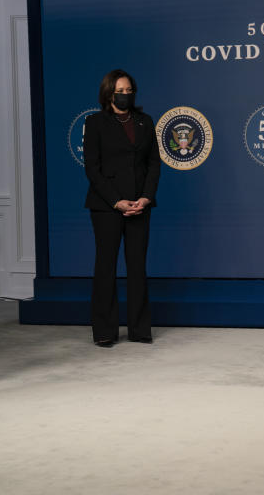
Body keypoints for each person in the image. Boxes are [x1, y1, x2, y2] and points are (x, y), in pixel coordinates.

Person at [83, 70, 161, 347]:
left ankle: (140, 329)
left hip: (141, 205)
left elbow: (153, 163)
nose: (125, 95)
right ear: (108, 93)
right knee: (106, 267)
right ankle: (105, 331)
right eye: (120, 91)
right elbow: (92, 168)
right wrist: (116, 201)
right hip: (106, 207)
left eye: (129, 91)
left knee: (137, 267)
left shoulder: (145, 121)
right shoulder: (95, 123)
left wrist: (146, 197)